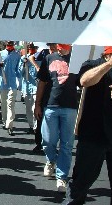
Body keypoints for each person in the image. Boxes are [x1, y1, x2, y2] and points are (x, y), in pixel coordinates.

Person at [64, 44, 112, 205]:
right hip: (92, 136)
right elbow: (84, 81)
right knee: (80, 185)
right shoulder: (91, 64)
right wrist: (108, 65)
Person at [34, 44, 78, 193]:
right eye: (57, 46)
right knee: (47, 141)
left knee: (67, 144)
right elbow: (42, 82)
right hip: (50, 106)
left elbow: (85, 83)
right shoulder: (49, 58)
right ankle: (51, 159)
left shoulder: (78, 59)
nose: (59, 49)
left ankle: (62, 176)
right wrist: (37, 104)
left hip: (71, 107)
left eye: (62, 46)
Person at [0, 40, 21, 135]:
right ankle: (4, 120)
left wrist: (21, 82)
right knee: (4, 103)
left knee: (10, 104)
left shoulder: (17, 55)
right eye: (8, 44)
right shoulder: (0, 54)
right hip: (2, 82)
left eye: (11, 44)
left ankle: (10, 125)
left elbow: (19, 69)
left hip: (13, 83)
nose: (9, 46)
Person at [18, 42, 38, 134]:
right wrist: (23, 64)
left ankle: (36, 126)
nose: (31, 49)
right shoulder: (23, 58)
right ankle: (31, 125)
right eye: (29, 47)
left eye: (33, 47)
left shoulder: (39, 58)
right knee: (29, 108)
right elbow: (19, 73)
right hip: (26, 87)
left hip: (36, 87)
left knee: (35, 107)